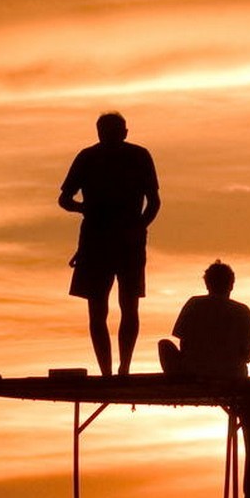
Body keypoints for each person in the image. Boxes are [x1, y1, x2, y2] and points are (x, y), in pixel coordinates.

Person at [60, 111, 160, 376]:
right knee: (113, 308)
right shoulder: (95, 157)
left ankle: (119, 369)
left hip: (109, 242)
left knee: (118, 308)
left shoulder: (131, 156)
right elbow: (65, 199)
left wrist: (137, 227)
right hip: (100, 242)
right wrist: (87, 209)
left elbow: (154, 202)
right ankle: (114, 371)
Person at [157, 261, 250, 377]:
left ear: (207, 284)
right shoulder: (243, 311)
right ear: (231, 285)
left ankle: (178, 381)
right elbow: (248, 356)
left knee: (164, 344)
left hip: (195, 372)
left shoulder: (194, 304)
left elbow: (184, 344)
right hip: (232, 374)